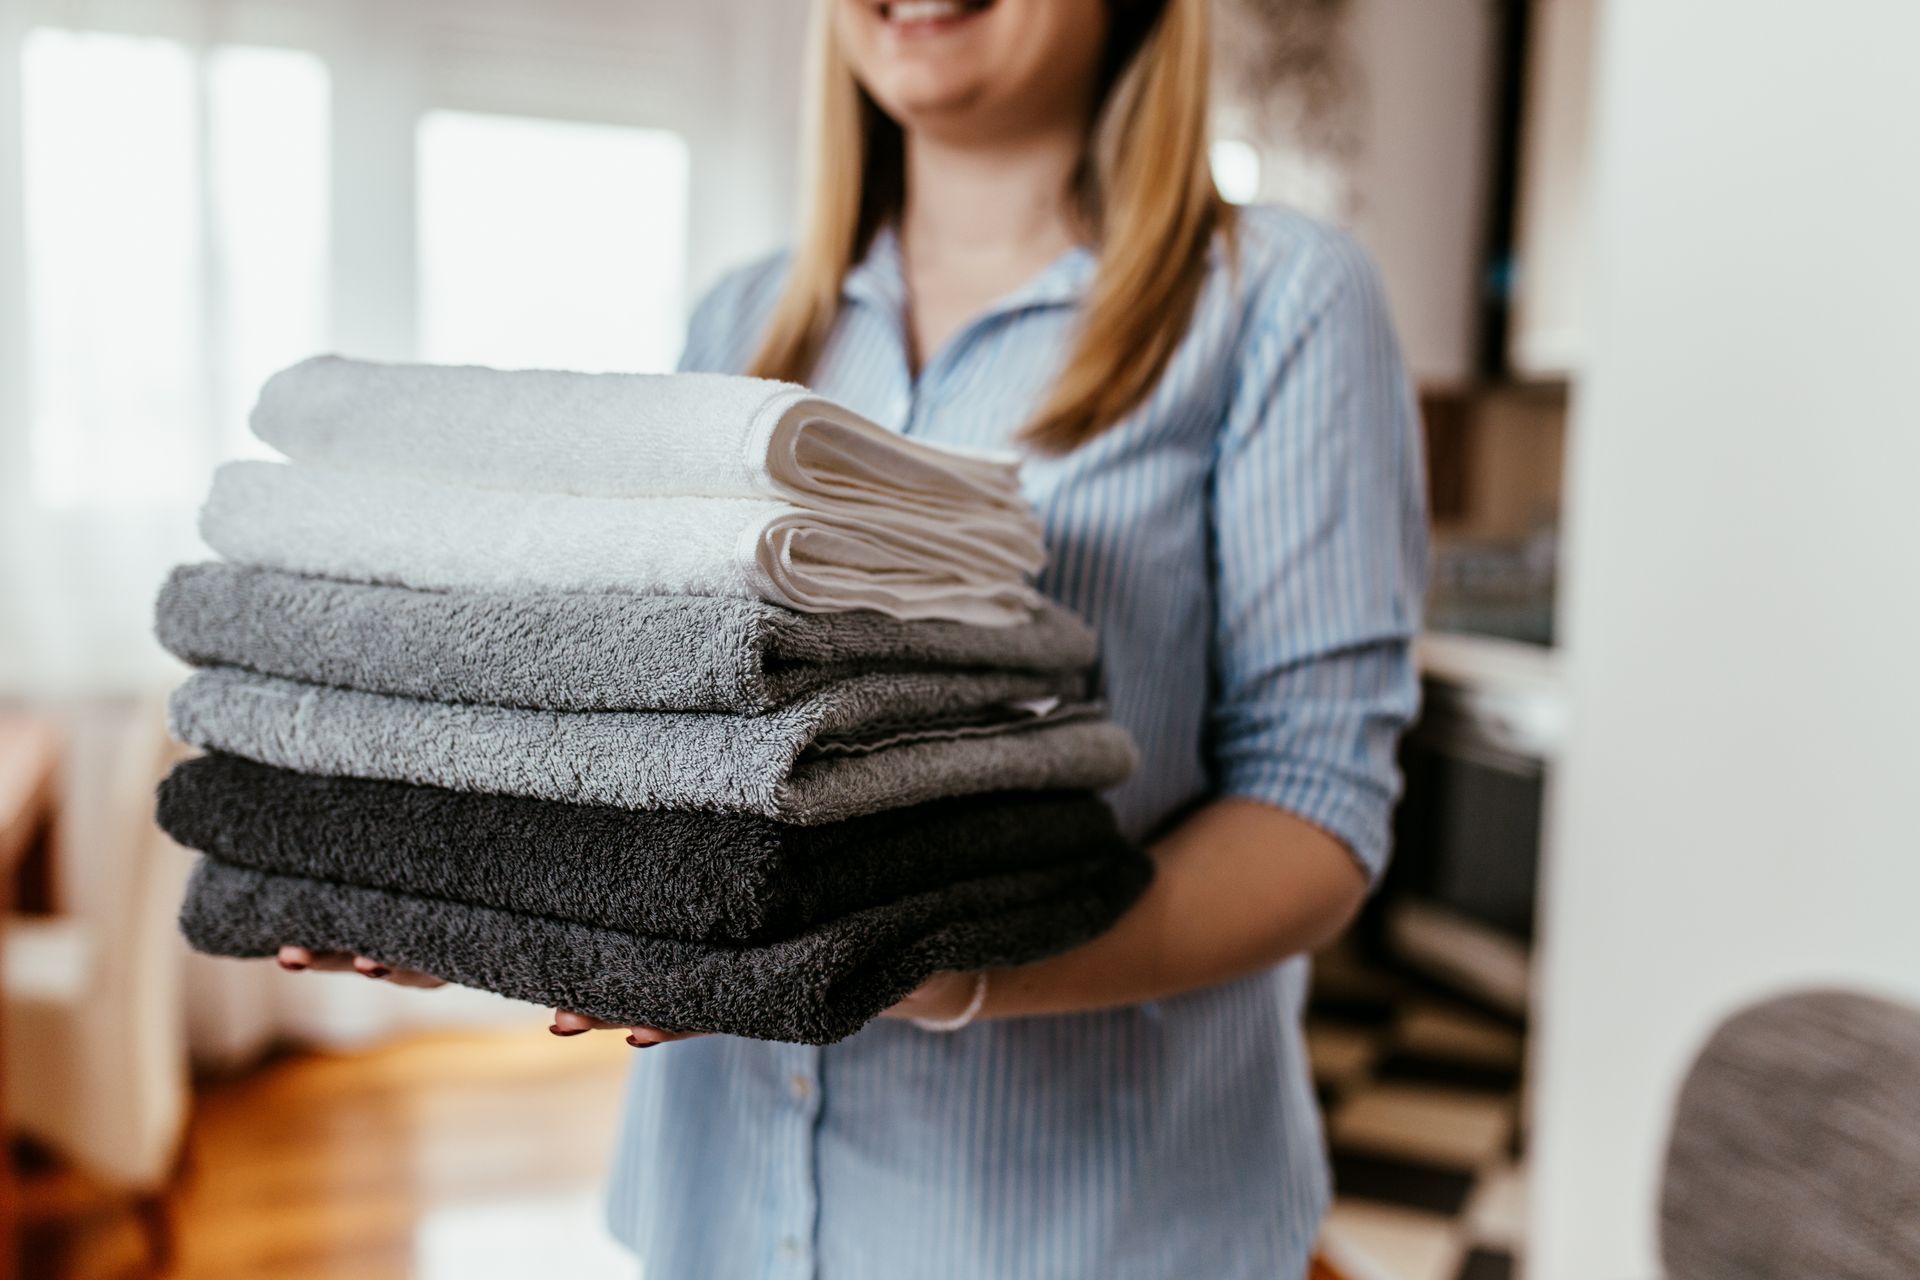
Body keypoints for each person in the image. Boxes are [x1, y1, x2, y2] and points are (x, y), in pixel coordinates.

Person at [283, 0, 1428, 1274]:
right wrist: (476, 886)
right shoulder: (747, 316)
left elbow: (1314, 805)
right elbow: (667, 712)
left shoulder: (1278, 298)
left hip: (1076, 1225)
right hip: (718, 1205)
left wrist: (945, 963)